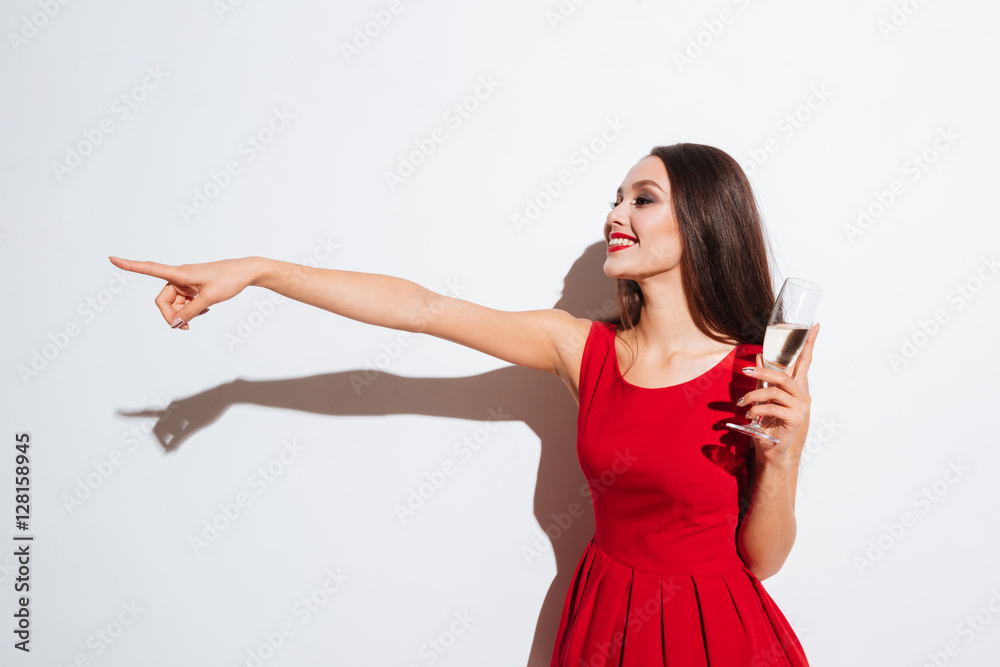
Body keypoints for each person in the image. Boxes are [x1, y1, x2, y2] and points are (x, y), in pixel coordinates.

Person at [109, 142, 817, 666]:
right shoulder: (583, 350)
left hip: (719, 635)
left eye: (642, 198)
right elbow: (422, 307)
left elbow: (762, 560)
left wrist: (782, 456)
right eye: (615, 197)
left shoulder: (760, 366)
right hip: (606, 625)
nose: (614, 214)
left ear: (701, 219)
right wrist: (259, 272)